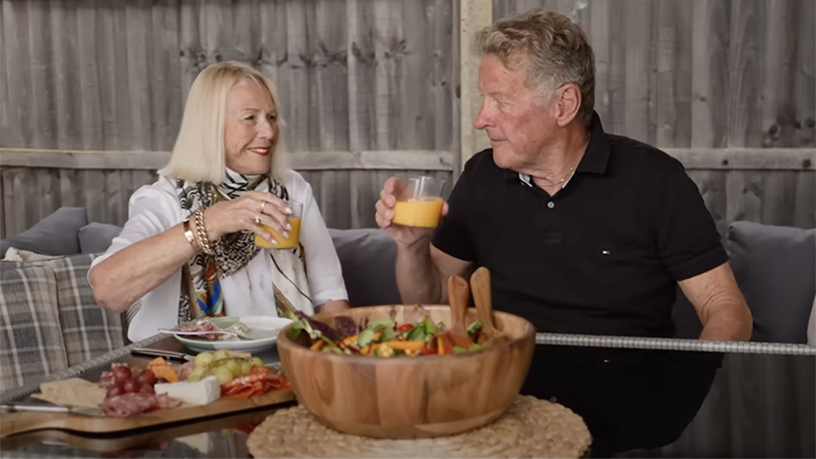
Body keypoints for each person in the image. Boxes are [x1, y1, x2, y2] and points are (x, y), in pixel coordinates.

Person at [375, 8, 752, 458]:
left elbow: (726, 308)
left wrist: (676, 396)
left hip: (620, 421)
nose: (481, 119)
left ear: (564, 105)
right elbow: (432, 300)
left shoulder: (655, 180)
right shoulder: (480, 177)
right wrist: (412, 247)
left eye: (501, 101)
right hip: (496, 406)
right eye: (483, 99)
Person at [90, 61, 349, 343]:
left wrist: (334, 364)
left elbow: (330, 298)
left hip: (283, 362)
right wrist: (209, 223)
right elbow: (107, 289)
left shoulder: (291, 189)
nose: (269, 132)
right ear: (210, 126)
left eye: (272, 117)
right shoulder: (163, 200)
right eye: (250, 118)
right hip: (186, 371)